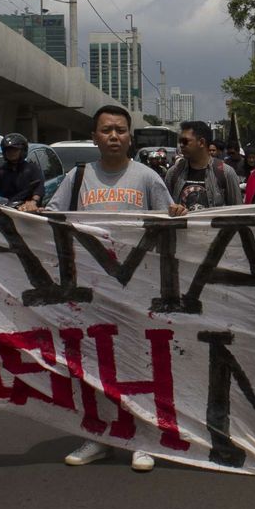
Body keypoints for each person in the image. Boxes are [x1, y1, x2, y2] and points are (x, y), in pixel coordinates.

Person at [51, 104, 177, 473]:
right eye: (106, 130)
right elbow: (51, 219)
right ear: (94, 137)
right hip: (91, 289)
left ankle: (144, 438)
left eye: (120, 130)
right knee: (94, 363)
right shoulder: (77, 178)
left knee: (140, 361)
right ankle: (101, 436)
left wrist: (178, 214)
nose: (113, 137)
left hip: (138, 287)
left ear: (130, 137)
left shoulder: (148, 178)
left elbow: (169, 225)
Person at [165, 121, 241, 211]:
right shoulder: (173, 173)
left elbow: (237, 212)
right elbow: (165, 209)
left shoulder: (226, 173)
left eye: (185, 141)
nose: (181, 145)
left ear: (201, 142)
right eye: (180, 141)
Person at [0, 133, 43, 212]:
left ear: (23, 151)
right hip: (7, 211)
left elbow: (39, 188)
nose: (11, 152)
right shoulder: (0, 172)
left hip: (28, 210)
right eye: (8, 150)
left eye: (15, 150)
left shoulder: (32, 169)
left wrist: (33, 202)